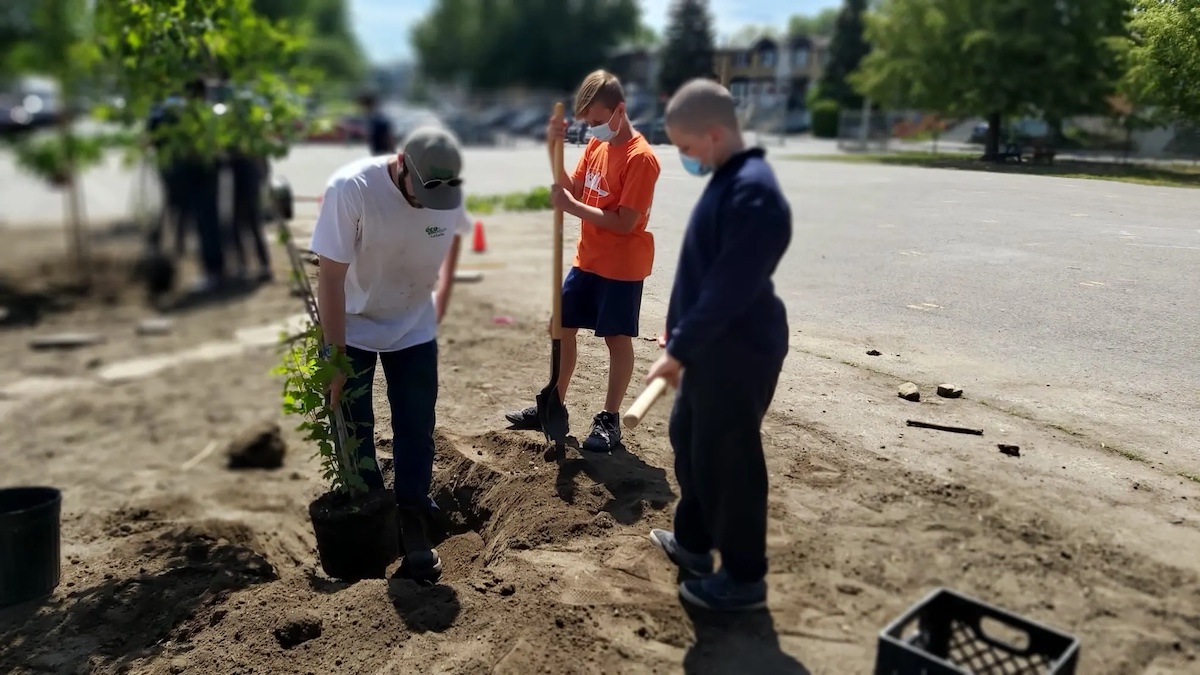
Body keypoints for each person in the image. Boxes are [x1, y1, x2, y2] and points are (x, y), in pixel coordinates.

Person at [644, 79, 792, 612]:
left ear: (712, 133)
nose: (683, 158)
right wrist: (676, 333)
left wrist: (679, 348)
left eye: (684, 148)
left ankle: (745, 579)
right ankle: (695, 544)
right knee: (690, 439)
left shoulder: (754, 193)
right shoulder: (729, 180)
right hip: (707, 347)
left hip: (739, 352)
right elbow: (700, 272)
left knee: (730, 463)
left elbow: (729, 288)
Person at [309, 126, 471, 582]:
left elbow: (453, 237)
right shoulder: (352, 190)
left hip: (414, 327)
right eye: (419, 193)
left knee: (417, 427)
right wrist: (334, 358)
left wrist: (441, 303)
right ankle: (375, 519)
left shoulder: (447, 195)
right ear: (401, 162)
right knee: (356, 428)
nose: (424, 204)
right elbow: (330, 278)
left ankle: (414, 519)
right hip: (354, 327)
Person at [504, 70, 662, 453]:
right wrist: (551, 149)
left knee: (616, 339)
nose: (592, 130)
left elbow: (625, 222)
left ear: (619, 110)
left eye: (596, 121)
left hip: (621, 265)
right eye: (588, 123)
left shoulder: (642, 159)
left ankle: (609, 419)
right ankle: (552, 404)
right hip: (587, 259)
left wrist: (572, 207)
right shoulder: (596, 147)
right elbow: (573, 188)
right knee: (560, 325)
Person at [360, 92, 395, 156]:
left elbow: (388, 137)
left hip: (383, 152)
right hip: (377, 152)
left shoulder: (378, 119)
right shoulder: (371, 118)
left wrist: (392, 152)